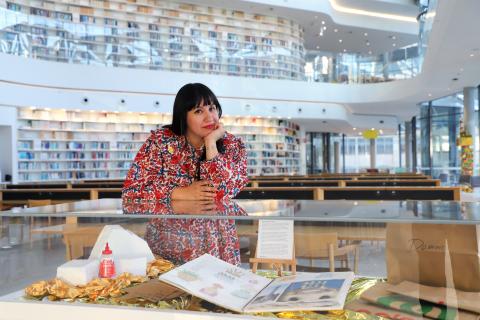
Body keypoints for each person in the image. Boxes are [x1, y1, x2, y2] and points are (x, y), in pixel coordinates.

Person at [122, 83, 248, 203]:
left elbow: (223, 194)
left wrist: (210, 143)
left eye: (212, 108)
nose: (209, 117)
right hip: (169, 225)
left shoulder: (233, 145)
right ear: (183, 116)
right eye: (198, 111)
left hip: (217, 224)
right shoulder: (160, 142)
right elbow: (131, 192)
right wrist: (182, 193)